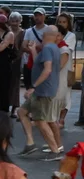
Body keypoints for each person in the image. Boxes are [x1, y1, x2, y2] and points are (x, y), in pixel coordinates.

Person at [18, 25, 63, 158]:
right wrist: (33, 50)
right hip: (43, 90)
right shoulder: (52, 48)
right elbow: (40, 63)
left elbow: (47, 69)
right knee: (22, 112)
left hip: (43, 90)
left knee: (40, 121)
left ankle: (55, 151)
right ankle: (30, 143)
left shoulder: (48, 48)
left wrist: (33, 86)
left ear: (44, 35)